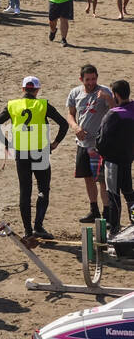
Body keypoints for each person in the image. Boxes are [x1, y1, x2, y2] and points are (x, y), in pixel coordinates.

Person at [0, 76, 69, 247]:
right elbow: (64, 124)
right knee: (43, 189)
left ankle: (28, 231)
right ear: (37, 90)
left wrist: (7, 144)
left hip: (22, 155)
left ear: (22, 90)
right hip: (40, 152)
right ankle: (38, 226)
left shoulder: (12, 105)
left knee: (25, 191)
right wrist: (55, 144)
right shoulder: (42, 105)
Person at [66, 64, 113, 224]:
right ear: (81, 79)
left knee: (102, 179)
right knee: (88, 178)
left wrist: (108, 98)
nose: (91, 82)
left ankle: (107, 212)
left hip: (99, 144)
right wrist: (75, 127)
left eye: (94, 79)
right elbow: (71, 114)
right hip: (83, 143)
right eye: (88, 80)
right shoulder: (75, 93)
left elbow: (115, 112)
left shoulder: (105, 91)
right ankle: (94, 210)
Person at [96, 79, 134, 238]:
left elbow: (101, 140)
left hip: (113, 162)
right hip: (128, 159)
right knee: (130, 195)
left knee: (113, 196)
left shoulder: (113, 115)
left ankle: (115, 231)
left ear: (116, 95)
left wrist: (103, 153)